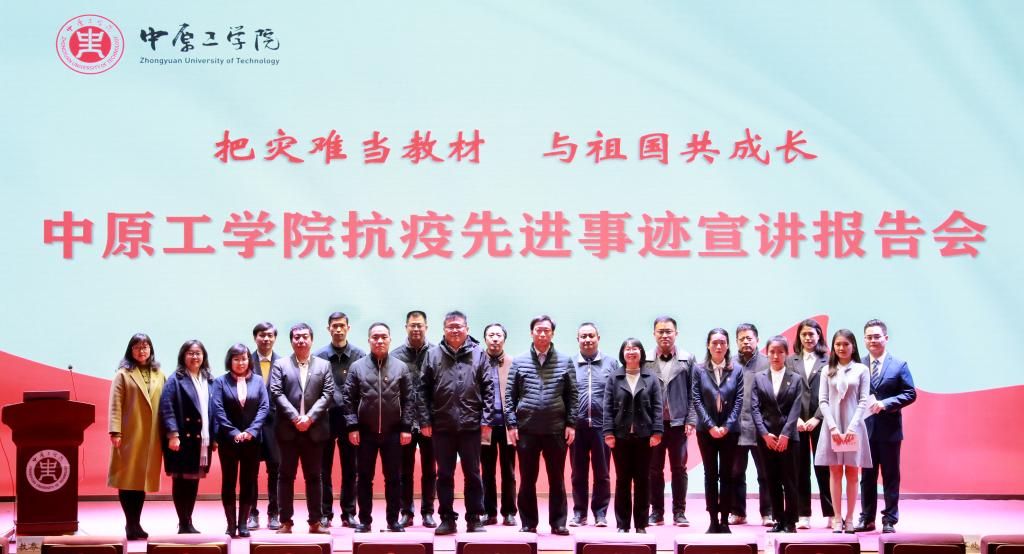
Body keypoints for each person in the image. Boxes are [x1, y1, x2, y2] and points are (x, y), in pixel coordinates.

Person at [420, 311, 495, 535]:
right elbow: (422, 390)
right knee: (444, 475)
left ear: (467, 329)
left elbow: (489, 389)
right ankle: (447, 519)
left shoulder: (479, 354)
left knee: (473, 474)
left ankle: (474, 518)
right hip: (441, 426)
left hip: (471, 425)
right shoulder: (432, 355)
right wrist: (425, 420)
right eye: (450, 326)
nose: (455, 330)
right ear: (444, 330)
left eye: (459, 326)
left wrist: (487, 419)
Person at [505, 315, 578, 535]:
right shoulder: (519, 361)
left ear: (552, 333)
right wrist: (511, 425)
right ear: (532, 333)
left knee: (557, 479)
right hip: (526, 430)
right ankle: (528, 523)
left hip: (556, 430)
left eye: (547, 330)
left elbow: (573, 396)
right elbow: (510, 396)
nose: (543, 333)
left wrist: (571, 424)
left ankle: (558, 523)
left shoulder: (565, 361)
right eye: (538, 330)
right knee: (527, 479)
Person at [345, 322, 415, 533]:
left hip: (393, 432)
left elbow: (409, 399)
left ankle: (393, 521)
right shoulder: (357, 367)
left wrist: (406, 427)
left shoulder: (400, 367)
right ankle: (365, 521)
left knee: (393, 479)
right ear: (369, 340)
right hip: (364, 432)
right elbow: (348, 399)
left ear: (390, 339)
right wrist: (352, 426)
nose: (379, 341)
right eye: (375, 337)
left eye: (384, 337)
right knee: (364, 479)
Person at [269, 323, 335, 534]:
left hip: (314, 431)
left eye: (305, 336)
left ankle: (315, 522)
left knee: (314, 477)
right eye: (296, 337)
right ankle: (285, 522)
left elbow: (328, 394)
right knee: (285, 477)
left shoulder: (323, 365)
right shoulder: (280, 365)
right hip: (288, 431)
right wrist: (296, 417)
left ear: (311, 340)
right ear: (291, 341)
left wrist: (310, 418)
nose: (301, 340)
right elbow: (276, 393)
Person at [854, 319, 917, 534]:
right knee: (867, 478)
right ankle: (867, 518)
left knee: (890, 477)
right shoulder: (858, 365)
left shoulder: (899, 365)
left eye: (877, 336)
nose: (873, 340)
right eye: (869, 337)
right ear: (864, 340)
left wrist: (886, 403)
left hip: (890, 432)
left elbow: (910, 393)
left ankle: (889, 519)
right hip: (865, 431)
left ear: (886, 338)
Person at [108, 333, 166, 540]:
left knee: (141, 482)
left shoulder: (159, 374)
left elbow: (166, 405)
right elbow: (115, 404)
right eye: (137, 347)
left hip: (152, 437)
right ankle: (129, 524)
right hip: (130, 434)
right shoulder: (123, 374)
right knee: (127, 480)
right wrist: (115, 431)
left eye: (145, 346)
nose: (142, 351)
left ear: (151, 349)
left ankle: (137, 524)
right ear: (130, 350)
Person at [603, 338, 663, 534]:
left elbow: (657, 407)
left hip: (645, 436)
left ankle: (641, 524)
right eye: (627, 349)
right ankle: (622, 524)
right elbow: (607, 407)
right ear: (623, 353)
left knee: (642, 480)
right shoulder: (614, 377)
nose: (631, 352)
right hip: (620, 437)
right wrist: (608, 432)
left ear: (641, 352)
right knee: (622, 480)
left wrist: (657, 431)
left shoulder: (651, 377)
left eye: (635, 348)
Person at [815, 329, 872, 533]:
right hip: (832, 427)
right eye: (838, 344)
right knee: (835, 471)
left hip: (853, 427)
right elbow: (823, 401)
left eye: (846, 344)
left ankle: (850, 518)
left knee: (853, 473)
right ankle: (837, 518)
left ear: (853, 346)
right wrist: (832, 427)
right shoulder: (827, 370)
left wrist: (851, 427)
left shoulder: (862, 369)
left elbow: (863, 401)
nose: (841, 348)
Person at [212, 343, 270, 537]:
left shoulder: (258, 381)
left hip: (252, 441)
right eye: (236, 359)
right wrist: (233, 432)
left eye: (244, 358)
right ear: (230, 361)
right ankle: (231, 525)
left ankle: (243, 524)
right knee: (228, 481)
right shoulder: (220, 381)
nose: (240, 362)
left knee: (248, 482)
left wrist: (251, 431)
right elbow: (218, 409)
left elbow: (264, 407)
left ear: (249, 360)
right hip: (228, 441)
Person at [315, 311, 366, 528]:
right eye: (334, 326)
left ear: (348, 328)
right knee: (323, 469)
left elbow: (364, 387)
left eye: (342, 325)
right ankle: (325, 513)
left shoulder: (359, 355)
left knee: (351, 468)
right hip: (325, 418)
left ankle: (349, 513)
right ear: (328, 329)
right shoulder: (318, 357)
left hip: (350, 419)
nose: (338, 329)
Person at [159, 340, 216, 534]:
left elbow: (214, 410)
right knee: (181, 480)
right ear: (183, 356)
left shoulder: (209, 379)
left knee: (193, 480)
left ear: (203, 356)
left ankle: (188, 520)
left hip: (202, 439)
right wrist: (173, 434)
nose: (195, 357)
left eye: (198, 353)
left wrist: (214, 436)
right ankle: (183, 522)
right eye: (190, 353)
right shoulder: (175, 379)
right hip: (182, 438)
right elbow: (166, 408)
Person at [644, 316, 696, 527]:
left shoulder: (687, 359)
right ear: (654, 334)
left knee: (679, 469)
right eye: (660, 331)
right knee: (654, 469)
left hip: (678, 424)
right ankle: (656, 511)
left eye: (668, 331)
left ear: (676, 333)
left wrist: (691, 419)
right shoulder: (645, 359)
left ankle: (679, 512)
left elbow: (693, 392)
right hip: (653, 425)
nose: (664, 335)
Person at [751, 335, 805, 534]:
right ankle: (778, 520)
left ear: (786, 354)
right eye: (772, 352)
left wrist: (785, 435)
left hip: (788, 438)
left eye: (780, 352)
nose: (775, 355)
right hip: (766, 438)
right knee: (771, 479)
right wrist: (765, 434)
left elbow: (796, 409)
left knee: (789, 480)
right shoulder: (759, 377)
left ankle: (790, 522)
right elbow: (754, 408)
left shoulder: (795, 378)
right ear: (767, 353)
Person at [692, 328, 744, 533]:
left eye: (722, 342)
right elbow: (696, 399)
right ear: (708, 345)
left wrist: (727, 426)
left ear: (728, 345)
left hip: (730, 432)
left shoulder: (736, 369)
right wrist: (711, 426)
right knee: (710, 475)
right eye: (714, 342)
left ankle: (725, 521)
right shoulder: (699, 369)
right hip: (706, 431)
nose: (719, 346)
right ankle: (713, 520)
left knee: (727, 475)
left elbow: (739, 400)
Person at [785, 319, 835, 529]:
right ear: (799, 337)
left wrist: (817, 417)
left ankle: (832, 513)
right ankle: (802, 513)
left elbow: (832, 392)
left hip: (820, 421)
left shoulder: (829, 359)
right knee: (799, 469)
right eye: (804, 334)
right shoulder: (790, 360)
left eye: (811, 334)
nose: (808, 338)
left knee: (824, 468)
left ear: (819, 336)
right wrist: (795, 418)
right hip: (796, 422)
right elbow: (786, 392)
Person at [391, 310, 438, 528]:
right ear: (406, 327)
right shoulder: (396, 355)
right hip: (405, 423)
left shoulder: (436, 353)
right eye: (412, 325)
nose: (416, 329)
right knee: (404, 471)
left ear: (426, 327)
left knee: (430, 470)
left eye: (420, 325)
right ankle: (406, 512)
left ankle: (428, 512)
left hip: (430, 422)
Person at [569, 322, 617, 528]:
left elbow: (617, 395)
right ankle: (579, 513)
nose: (587, 339)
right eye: (583, 336)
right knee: (578, 474)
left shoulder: (611, 363)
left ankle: (600, 513)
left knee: (602, 473)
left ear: (598, 338)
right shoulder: (570, 364)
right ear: (578, 339)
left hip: (602, 427)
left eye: (591, 336)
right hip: (577, 427)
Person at [730, 323, 773, 527]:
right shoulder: (730, 363)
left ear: (757, 340)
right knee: (735, 473)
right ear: (736, 341)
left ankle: (768, 513)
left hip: (762, 428)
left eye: (749, 338)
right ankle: (738, 513)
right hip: (736, 428)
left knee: (766, 473)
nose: (746, 342)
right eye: (742, 339)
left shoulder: (768, 362)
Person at [479, 322, 518, 527]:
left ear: (504, 339)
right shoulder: (477, 362)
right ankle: (489, 512)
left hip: (507, 425)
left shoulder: (514, 363)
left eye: (499, 335)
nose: (495, 338)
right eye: (491, 335)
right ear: (485, 339)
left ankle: (509, 512)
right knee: (487, 472)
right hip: (485, 426)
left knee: (508, 471)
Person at [248, 321, 282, 530]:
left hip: (275, 426)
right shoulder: (245, 361)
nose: (266, 339)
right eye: (262, 335)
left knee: (275, 471)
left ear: (275, 338)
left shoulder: (283, 362)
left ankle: (274, 513)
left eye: (270, 335)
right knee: (251, 471)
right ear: (255, 338)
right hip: (251, 425)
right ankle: (252, 514)